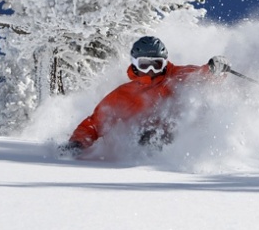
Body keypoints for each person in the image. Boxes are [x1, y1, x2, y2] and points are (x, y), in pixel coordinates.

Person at [62, 36, 231, 154]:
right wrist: (77, 143)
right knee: (147, 135)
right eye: (144, 65)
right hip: (145, 140)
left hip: (181, 135)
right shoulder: (123, 94)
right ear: (135, 65)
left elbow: (201, 75)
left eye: (156, 65)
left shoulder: (177, 75)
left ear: (164, 64)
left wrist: (214, 69)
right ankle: (143, 168)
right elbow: (96, 122)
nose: (150, 71)